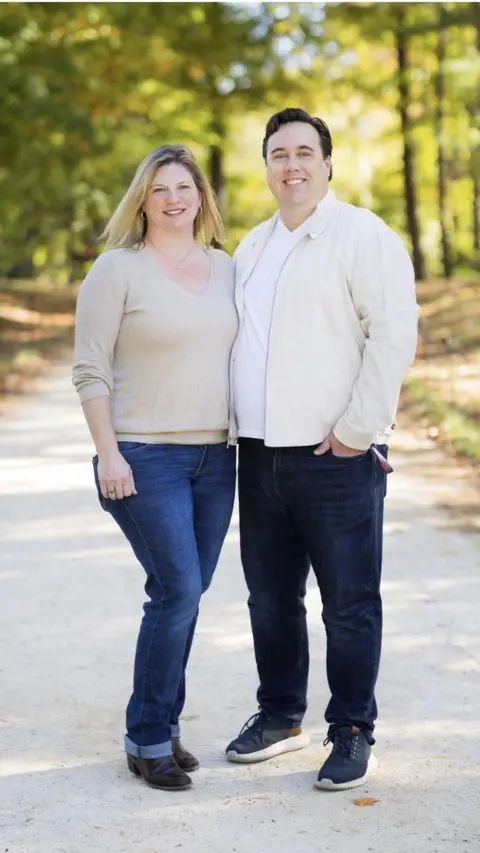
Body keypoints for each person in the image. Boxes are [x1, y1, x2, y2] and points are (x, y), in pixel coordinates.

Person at [225, 108, 418, 790]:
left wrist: (358, 429)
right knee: (269, 598)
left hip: (335, 455)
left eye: (305, 151)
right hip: (259, 454)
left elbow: (393, 333)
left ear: (328, 163)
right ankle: (280, 714)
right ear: (268, 165)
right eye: (279, 153)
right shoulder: (251, 247)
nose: (292, 164)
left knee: (349, 601)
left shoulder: (361, 234)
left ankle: (352, 726)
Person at [72, 145, 237, 791]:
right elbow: (90, 367)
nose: (173, 199)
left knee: (184, 597)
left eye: (184, 187)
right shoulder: (117, 271)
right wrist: (108, 452)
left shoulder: (227, 268)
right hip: (143, 455)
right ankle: (146, 735)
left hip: (216, 458)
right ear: (142, 199)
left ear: (201, 196)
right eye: (160, 189)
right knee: (179, 590)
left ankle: (162, 727)